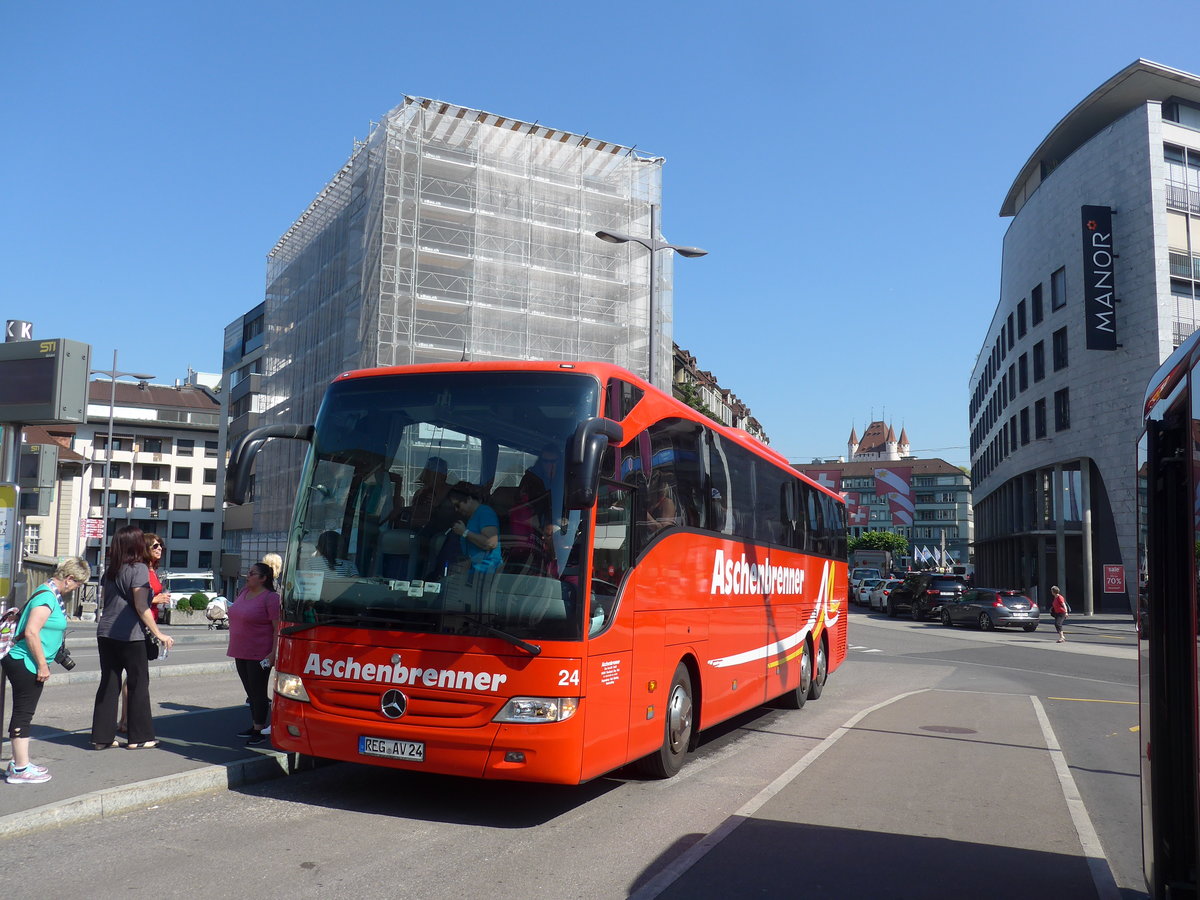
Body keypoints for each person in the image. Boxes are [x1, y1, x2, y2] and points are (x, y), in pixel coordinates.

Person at [2, 557, 89, 783]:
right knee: (24, 713)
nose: (76, 589)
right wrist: (42, 664)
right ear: (69, 579)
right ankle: (20, 769)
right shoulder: (47, 598)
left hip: (26, 659)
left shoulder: (48, 593)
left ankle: (19, 762)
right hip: (26, 661)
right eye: (78, 584)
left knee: (24, 711)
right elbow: (31, 631)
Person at [90, 525, 175, 751]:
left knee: (109, 683)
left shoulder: (112, 569)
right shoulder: (138, 568)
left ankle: (101, 738)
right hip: (130, 634)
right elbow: (140, 605)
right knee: (138, 684)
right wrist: (159, 633)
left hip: (106, 632)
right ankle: (140, 737)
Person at [118, 533, 172, 735]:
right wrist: (157, 600)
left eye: (161, 546)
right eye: (155, 546)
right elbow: (138, 600)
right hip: (140, 627)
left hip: (147, 625)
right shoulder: (142, 570)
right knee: (135, 677)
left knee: (133, 676)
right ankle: (127, 721)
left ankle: (125, 719)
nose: (160, 549)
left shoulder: (151, 570)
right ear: (145, 549)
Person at [226, 562, 281, 745]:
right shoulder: (243, 592)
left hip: (259, 653)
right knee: (250, 691)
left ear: (263, 578)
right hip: (240, 649)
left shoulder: (270, 598)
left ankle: (259, 729)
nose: (247, 576)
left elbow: (277, 628)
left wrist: (273, 653)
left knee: (258, 692)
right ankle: (255, 724)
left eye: (252, 573)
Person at [448, 482, 502, 574]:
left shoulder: (485, 512)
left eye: (458, 505)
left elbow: (491, 543)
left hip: (486, 573)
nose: (456, 510)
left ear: (469, 499)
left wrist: (464, 532)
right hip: (475, 573)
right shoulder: (473, 517)